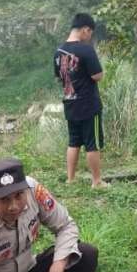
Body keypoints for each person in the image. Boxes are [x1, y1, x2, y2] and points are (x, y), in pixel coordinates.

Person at [54, 13, 106, 188]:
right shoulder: (86, 49)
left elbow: (59, 77)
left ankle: (70, 179)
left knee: (74, 142)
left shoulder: (58, 52)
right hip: (89, 105)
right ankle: (97, 181)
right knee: (92, 144)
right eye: (90, 33)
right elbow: (97, 76)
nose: (89, 36)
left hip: (70, 103)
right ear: (85, 29)